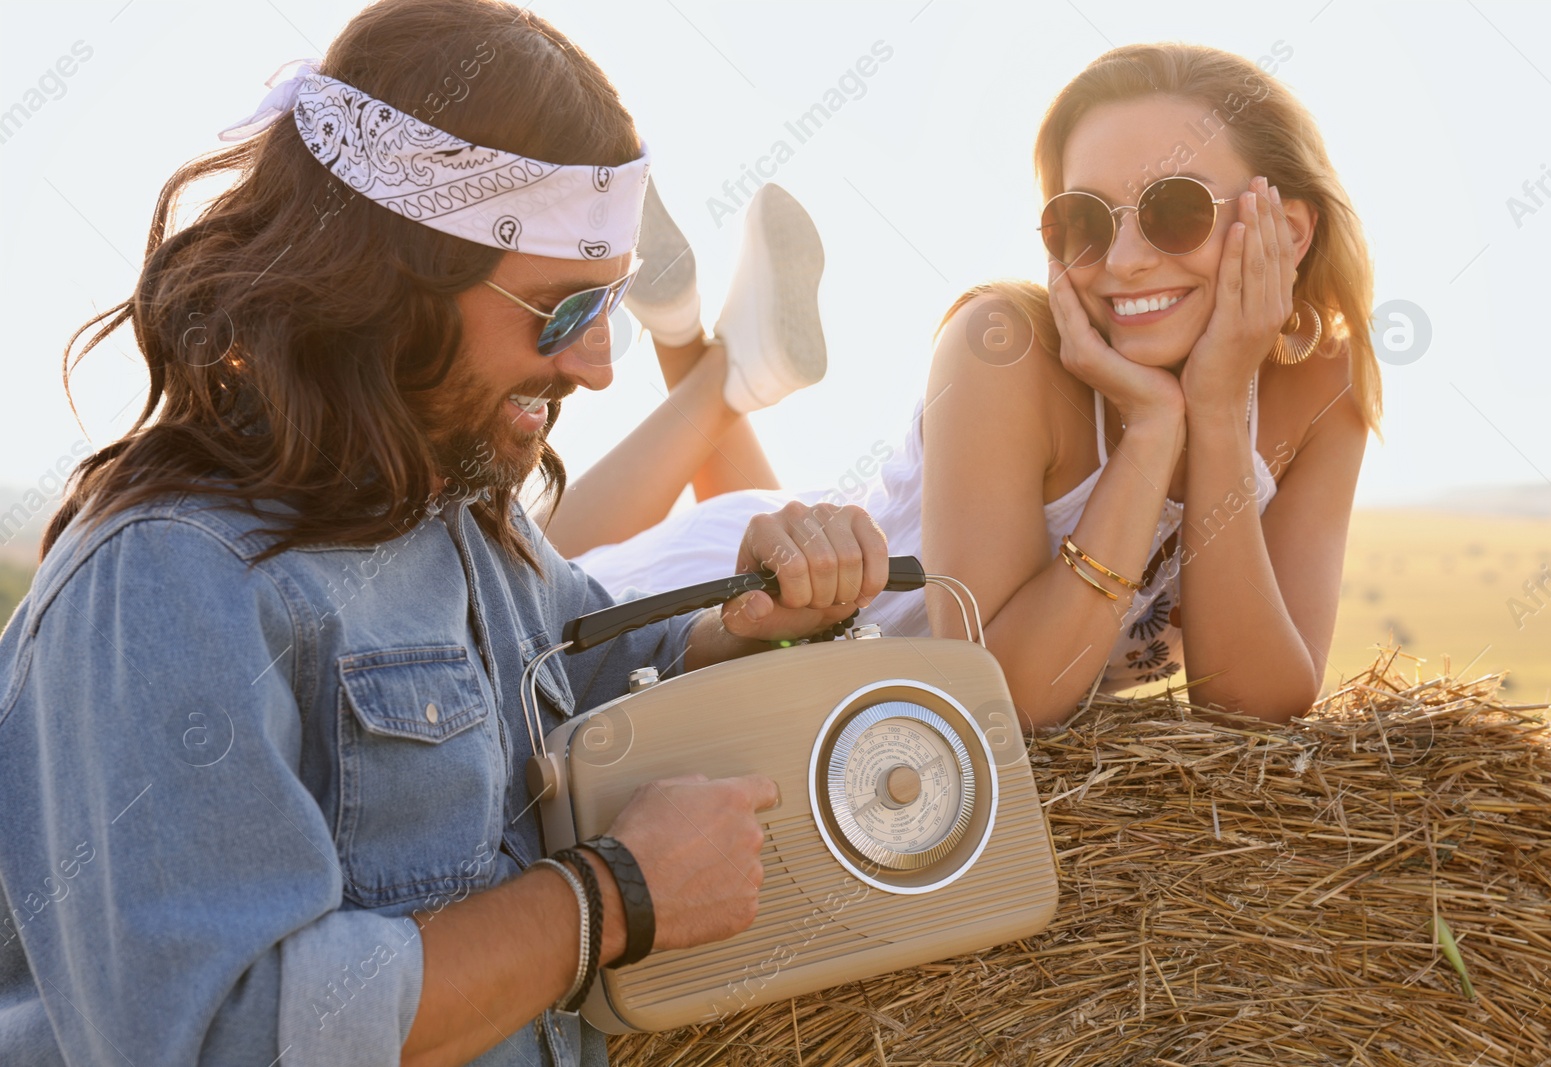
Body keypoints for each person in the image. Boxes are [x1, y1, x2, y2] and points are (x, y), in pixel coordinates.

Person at [0, 2, 889, 1065]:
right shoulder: (165, 579)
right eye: (561, 312)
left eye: (609, 306)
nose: (597, 365)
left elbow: (599, 663)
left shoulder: (462, 516)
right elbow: (218, 1035)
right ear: (389, 282)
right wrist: (609, 898)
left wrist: (749, 622)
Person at [554, 42, 1377, 730]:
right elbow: (1001, 694)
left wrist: (1220, 409)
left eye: (1175, 210)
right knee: (531, 579)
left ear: (1289, 228)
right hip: (725, 620)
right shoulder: (1003, 347)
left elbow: (1253, 705)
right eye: (1084, 221)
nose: (1123, 261)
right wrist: (1157, 430)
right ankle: (708, 364)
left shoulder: (1324, 390)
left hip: (831, 576)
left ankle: (702, 352)